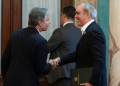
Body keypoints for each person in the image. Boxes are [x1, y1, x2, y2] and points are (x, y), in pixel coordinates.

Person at [54, 2, 107, 86]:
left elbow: (99, 61)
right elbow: (80, 54)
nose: (75, 16)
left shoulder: (93, 31)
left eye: (78, 13)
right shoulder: (89, 30)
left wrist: (92, 83)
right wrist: (60, 59)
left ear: (88, 14)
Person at [1, 7, 57, 86]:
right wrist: (50, 64)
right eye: (47, 19)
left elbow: (4, 60)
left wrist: (6, 78)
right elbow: (42, 69)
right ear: (40, 22)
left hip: (10, 82)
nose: (49, 22)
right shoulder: (41, 41)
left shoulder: (15, 34)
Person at [47, 6, 82, 86]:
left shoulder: (60, 32)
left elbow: (46, 48)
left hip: (64, 75)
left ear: (64, 15)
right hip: (77, 75)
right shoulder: (79, 32)